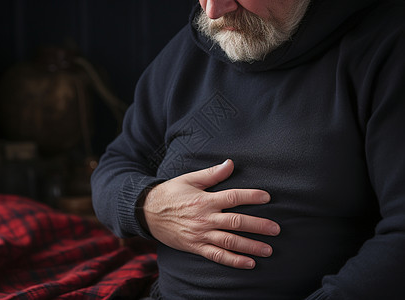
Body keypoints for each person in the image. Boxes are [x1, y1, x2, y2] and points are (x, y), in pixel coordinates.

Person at [91, 0, 405, 299]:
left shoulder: (385, 48)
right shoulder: (193, 50)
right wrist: (146, 206)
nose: (213, 11)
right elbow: (115, 166)